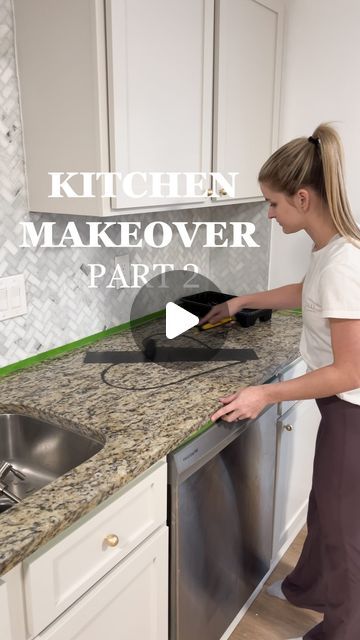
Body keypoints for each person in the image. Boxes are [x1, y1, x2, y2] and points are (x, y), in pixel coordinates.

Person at [200, 123, 360, 640]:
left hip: (353, 410)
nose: (269, 215)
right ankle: (307, 589)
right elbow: (306, 291)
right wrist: (241, 301)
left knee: (344, 533)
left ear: (302, 197)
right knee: (325, 507)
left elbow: (351, 369)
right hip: (341, 408)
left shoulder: (343, 263)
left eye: (272, 204)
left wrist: (263, 393)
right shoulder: (331, 251)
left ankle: (342, 629)